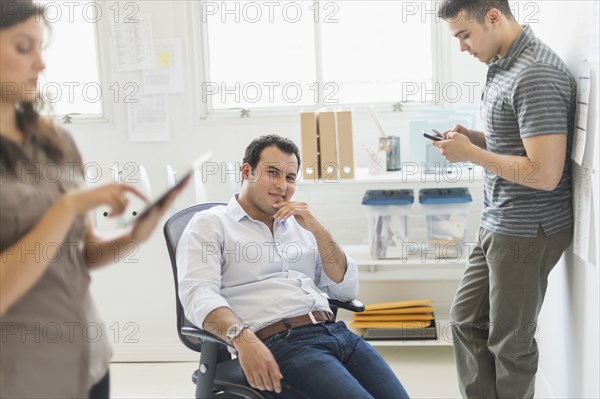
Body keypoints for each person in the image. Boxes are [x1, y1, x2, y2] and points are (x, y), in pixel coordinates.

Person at [0, 1, 186, 397]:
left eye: (40, 47)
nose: (40, 64)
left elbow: (82, 254)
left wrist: (135, 236)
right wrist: (68, 206)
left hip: (90, 361)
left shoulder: (57, 142)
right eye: (22, 47)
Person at [177, 135, 409, 398]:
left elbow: (345, 291)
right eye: (272, 172)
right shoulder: (209, 224)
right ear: (246, 171)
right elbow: (197, 293)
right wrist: (243, 339)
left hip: (337, 333)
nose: (282, 185)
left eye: (290, 177)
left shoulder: (300, 225)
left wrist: (319, 230)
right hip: (280, 344)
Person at [435, 1, 576, 398]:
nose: (462, 48)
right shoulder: (502, 64)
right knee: (464, 321)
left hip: (527, 229)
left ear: (493, 16)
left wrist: (472, 154)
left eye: (465, 35)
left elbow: (544, 174)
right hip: (498, 220)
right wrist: (474, 139)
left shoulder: (536, 74)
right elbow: (518, 143)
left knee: (509, 343)